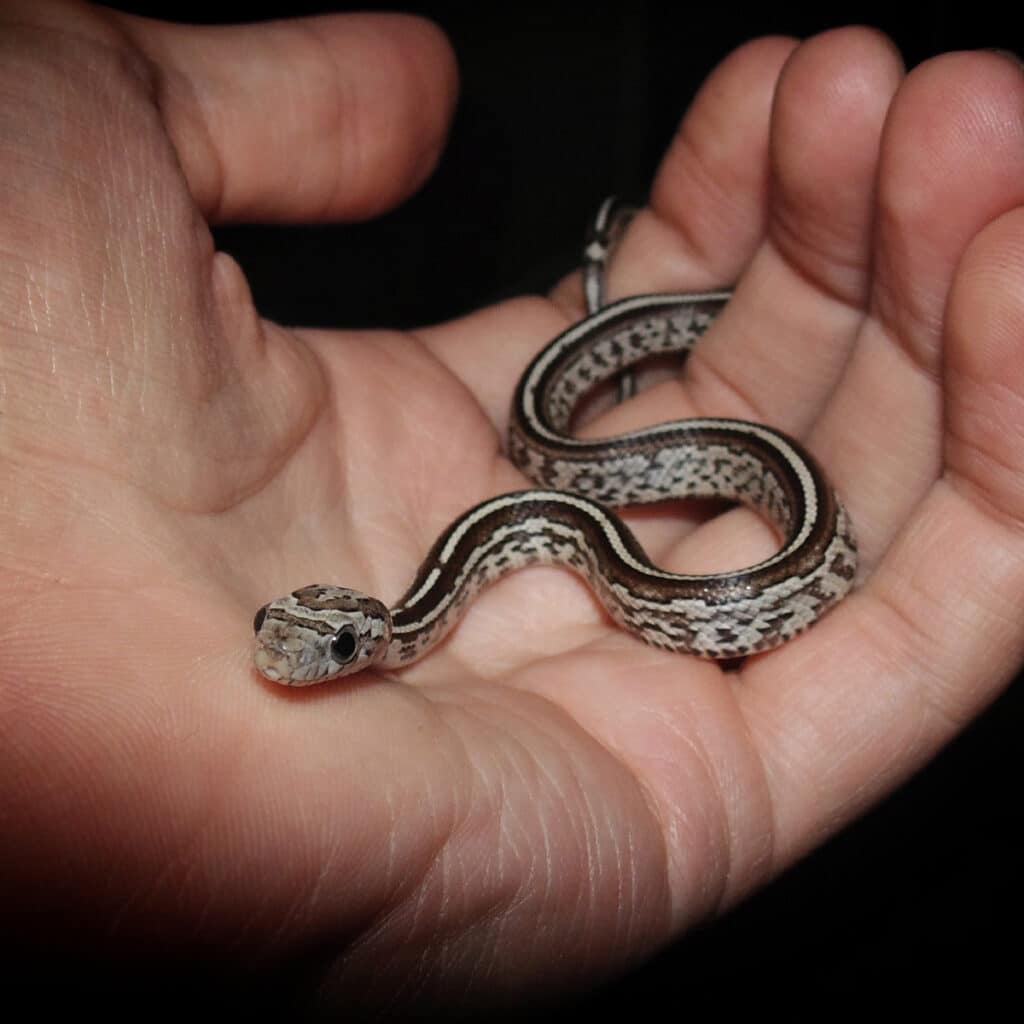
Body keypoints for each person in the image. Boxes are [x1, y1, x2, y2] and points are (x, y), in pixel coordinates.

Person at [2, 1, 1022, 1013]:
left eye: (312, 641)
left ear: (363, 628)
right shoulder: (405, 617)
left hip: (762, 522)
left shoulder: (434, 597)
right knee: (567, 445)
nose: (286, 656)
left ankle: (635, 344)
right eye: (291, 635)